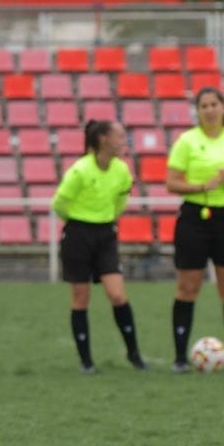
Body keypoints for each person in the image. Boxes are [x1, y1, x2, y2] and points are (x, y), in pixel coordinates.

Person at [165, 86, 224, 373]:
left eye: (213, 104)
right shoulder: (187, 141)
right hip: (194, 217)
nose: (209, 110)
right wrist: (199, 187)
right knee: (188, 287)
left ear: (223, 107)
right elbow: (171, 182)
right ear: (198, 111)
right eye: (203, 105)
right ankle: (180, 357)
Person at [51, 119, 146, 373]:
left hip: (106, 234)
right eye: (120, 136)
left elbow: (121, 201)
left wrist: (108, 220)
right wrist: (77, 222)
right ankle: (86, 362)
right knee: (81, 297)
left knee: (117, 295)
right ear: (104, 139)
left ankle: (134, 354)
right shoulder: (80, 170)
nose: (124, 141)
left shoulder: (122, 171)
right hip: (78, 235)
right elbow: (60, 203)